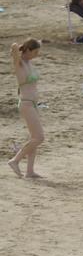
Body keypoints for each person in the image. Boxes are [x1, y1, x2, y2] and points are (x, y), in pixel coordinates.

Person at [8, 40, 45, 180]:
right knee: (39, 137)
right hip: (26, 104)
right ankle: (15, 160)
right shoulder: (20, 63)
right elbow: (14, 49)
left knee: (34, 138)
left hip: (33, 104)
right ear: (28, 50)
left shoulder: (29, 63)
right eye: (35, 52)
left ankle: (30, 171)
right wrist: (17, 47)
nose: (36, 55)